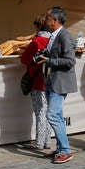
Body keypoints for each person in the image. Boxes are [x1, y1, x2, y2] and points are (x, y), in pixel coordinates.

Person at [35, 6, 77, 164]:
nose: (45, 20)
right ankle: (61, 148)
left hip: (60, 81)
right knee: (57, 115)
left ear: (56, 20)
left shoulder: (64, 36)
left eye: (47, 18)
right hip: (52, 80)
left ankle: (65, 150)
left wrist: (49, 60)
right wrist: (45, 55)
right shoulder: (54, 35)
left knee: (52, 115)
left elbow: (70, 61)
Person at [20, 15, 52, 150]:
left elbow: (25, 59)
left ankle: (39, 142)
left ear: (38, 26)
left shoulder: (36, 41)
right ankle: (47, 141)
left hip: (38, 80)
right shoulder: (53, 39)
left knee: (40, 111)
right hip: (51, 80)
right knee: (49, 111)